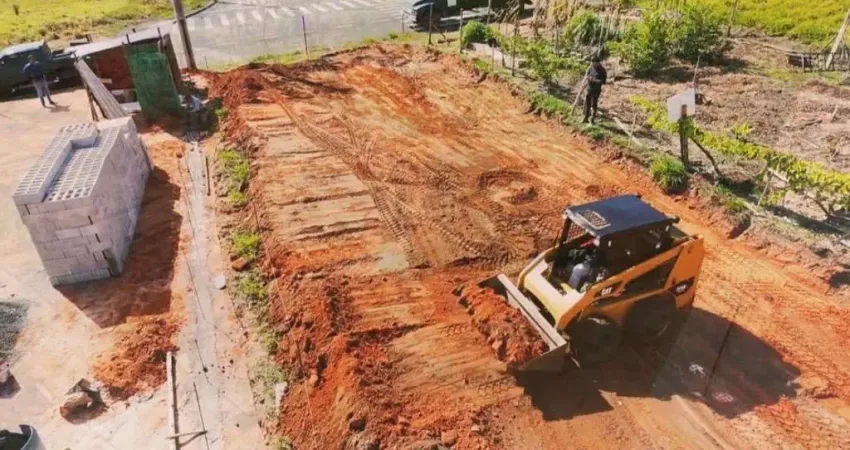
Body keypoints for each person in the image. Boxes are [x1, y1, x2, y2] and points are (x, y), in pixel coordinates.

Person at [582, 56, 607, 124]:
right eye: (592, 63)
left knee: (594, 104)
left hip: (596, 89)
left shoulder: (602, 70)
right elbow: (587, 74)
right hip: (589, 88)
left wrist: (595, 80)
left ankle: (592, 119)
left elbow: (603, 81)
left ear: (598, 63)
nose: (593, 64)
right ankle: (586, 117)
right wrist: (588, 78)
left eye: (594, 63)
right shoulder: (591, 67)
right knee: (588, 103)